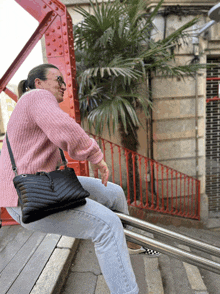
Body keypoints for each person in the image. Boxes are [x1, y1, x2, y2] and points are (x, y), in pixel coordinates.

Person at [0, 63, 156, 294]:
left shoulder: (32, 104)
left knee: (114, 193)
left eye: (64, 81)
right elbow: (65, 128)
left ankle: (129, 242)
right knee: (106, 226)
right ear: (38, 83)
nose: (64, 86)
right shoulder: (36, 97)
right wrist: (96, 156)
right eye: (58, 79)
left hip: (45, 182)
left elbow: (57, 131)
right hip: (27, 198)